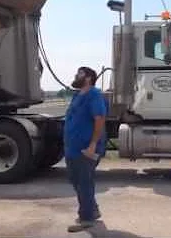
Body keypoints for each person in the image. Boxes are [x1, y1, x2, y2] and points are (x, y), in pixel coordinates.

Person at [63, 66, 107, 232]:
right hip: (73, 148)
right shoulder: (77, 95)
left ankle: (86, 218)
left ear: (88, 78)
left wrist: (93, 144)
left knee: (84, 182)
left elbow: (99, 118)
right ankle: (92, 210)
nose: (76, 75)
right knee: (76, 180)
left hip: (86, 149)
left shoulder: (93, 95)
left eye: (80, 73)